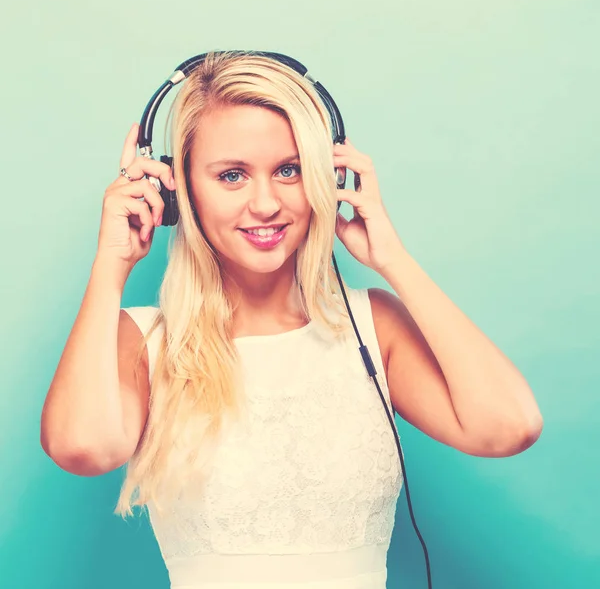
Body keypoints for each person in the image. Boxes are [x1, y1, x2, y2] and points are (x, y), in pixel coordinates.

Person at [40, 51, 544, 589]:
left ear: (328, 177)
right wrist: (110, 264)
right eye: (231, 175)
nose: (265, 203)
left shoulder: (374, 326)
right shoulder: (144, 341)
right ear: (179, 191)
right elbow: (82, 447)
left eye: (289, 170)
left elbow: (508, 427)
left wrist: (393, 259)